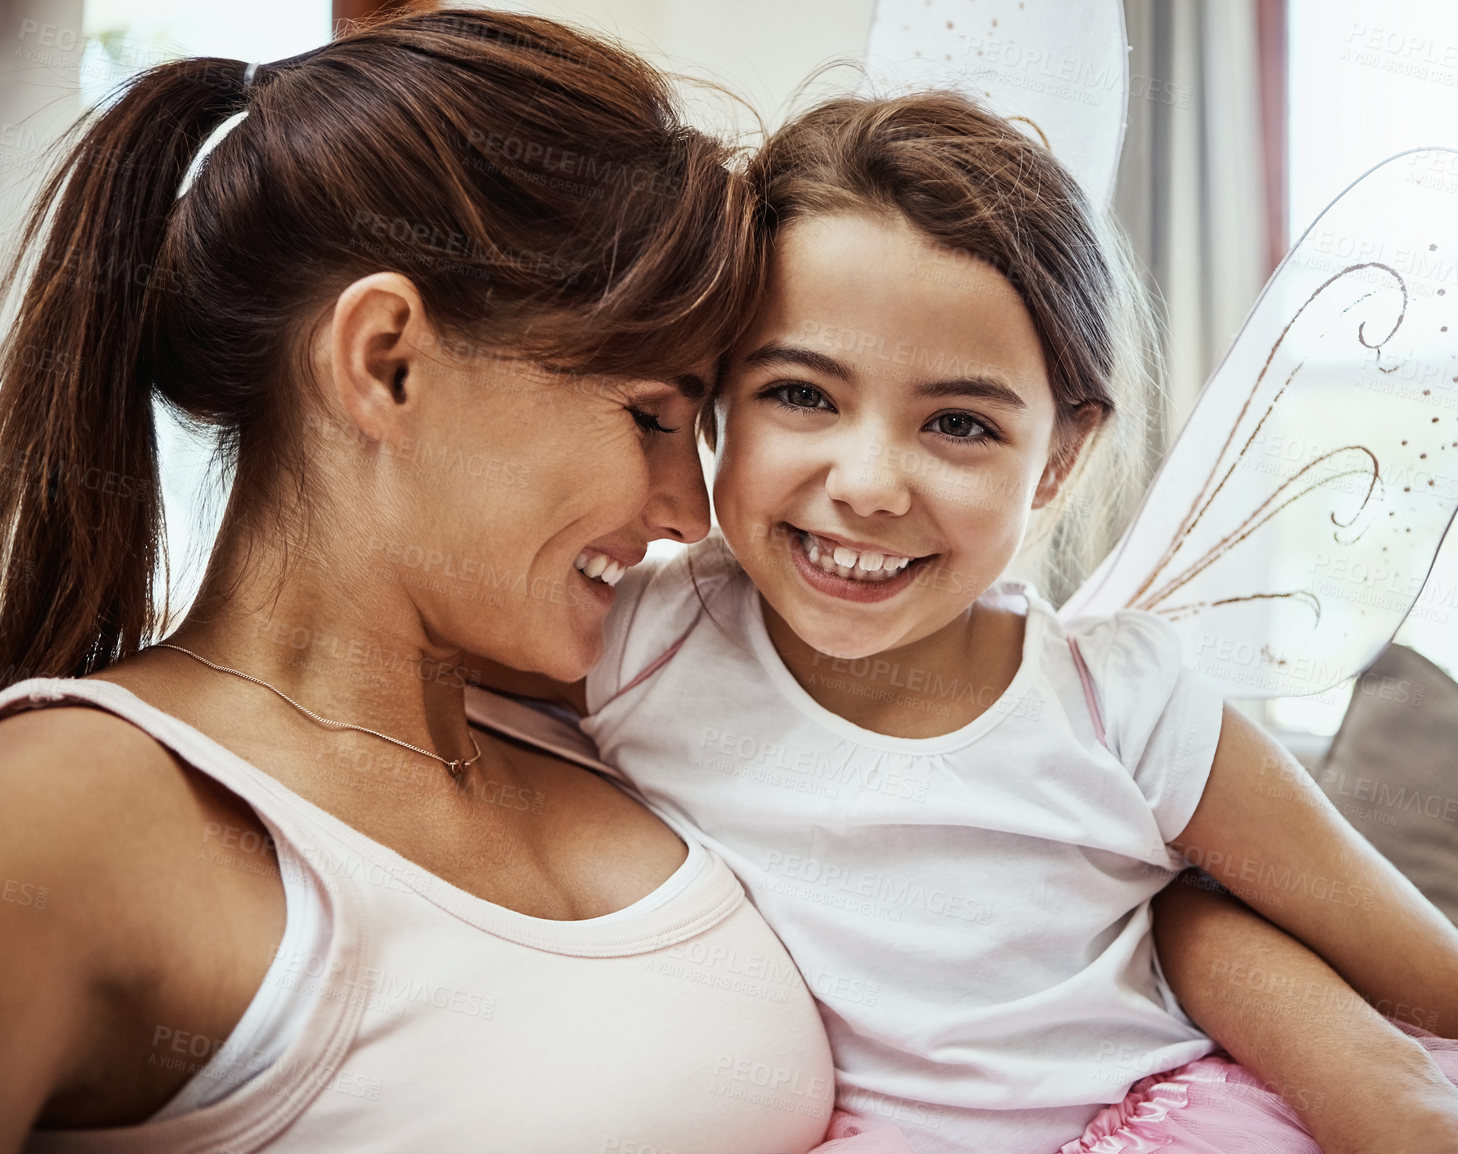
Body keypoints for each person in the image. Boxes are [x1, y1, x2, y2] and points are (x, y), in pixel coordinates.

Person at [530, 92, 1458, 1153]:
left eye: (960, 424)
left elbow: (1434, 980)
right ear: (718, 395)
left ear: (1060, 457)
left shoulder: (1113, 697)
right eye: (802, 394)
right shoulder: (637, 639)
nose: (869, 482)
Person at [0, 11, 903, 1151]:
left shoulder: (627, 718)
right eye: (649, 416)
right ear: (387, 360)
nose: (686, 509)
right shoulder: (63, 815)